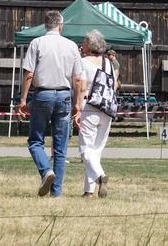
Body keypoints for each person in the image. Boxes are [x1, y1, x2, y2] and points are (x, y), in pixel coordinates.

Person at [18, 10, 84, 197]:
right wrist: (77, 104)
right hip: (64, 95)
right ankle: (57, 193)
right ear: (61, 25)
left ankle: (46, 171)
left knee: (35, 141)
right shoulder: (71, 46)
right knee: (60, 147)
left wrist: (23, 99)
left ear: (45, 25)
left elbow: (29, 74)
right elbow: (78, 79)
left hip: (43, 95)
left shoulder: (37, 43)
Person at [79, 30, 118, 198]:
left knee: (86, 150)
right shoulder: (108, 63)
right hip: (107, 108)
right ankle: (89, 191)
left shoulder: (82, 62)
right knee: (96, 151)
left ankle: (100, 176)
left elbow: (81, 86)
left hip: (89, 107)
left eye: (84, 42)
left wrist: (76, 108)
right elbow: (114, 85)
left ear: (89, 45)